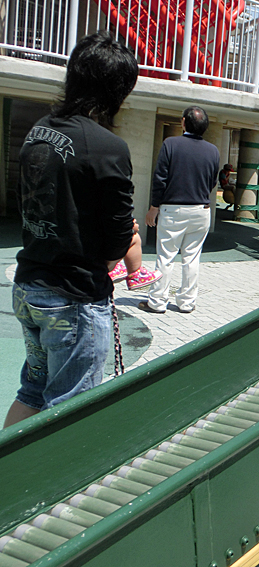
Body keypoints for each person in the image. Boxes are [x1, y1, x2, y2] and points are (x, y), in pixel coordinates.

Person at [6, 31, 140, 427]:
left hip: (29, 285)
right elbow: (116, 243)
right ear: (117, 91)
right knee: (69, 409)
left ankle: (9, 475)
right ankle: (51, 491)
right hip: (73, 299)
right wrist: (125, 237)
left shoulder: (38, 131)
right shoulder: (107, 147)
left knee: (32, 391)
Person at [138, 106, 219, 314]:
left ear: (183, 122)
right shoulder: (213, 150)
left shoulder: (171, 144)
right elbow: (212, 182)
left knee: (165, 257)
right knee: (192, 257)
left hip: (173, 209)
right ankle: (187, 302)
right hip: (201, 210)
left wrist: (154, 207)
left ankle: (157, 301)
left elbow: (160, 179)